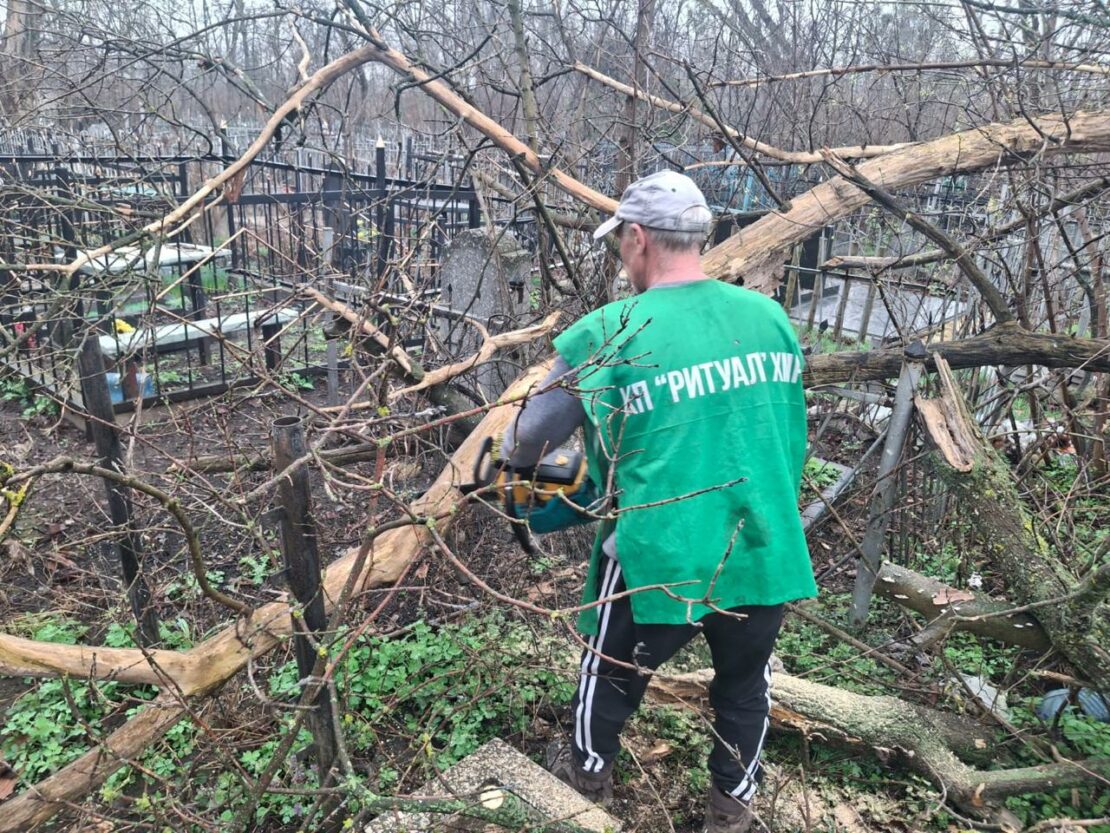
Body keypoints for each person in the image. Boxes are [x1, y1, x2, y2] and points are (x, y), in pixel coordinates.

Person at [502, 170, 817, 833]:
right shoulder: (769, 317)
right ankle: (731, 811)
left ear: (639, 237)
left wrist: (523, 475)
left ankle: (586, 775)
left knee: (607, 671)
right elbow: (777, 429)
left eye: (622, 243)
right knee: (745, 683)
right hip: (760, 537)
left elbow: (530, 433)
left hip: (661, 546)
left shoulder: (612, 329)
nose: (623, 255)